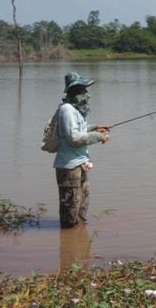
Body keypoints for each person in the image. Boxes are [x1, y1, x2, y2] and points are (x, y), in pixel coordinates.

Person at [54, 71, 112, 228]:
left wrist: (97, 127)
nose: (86, 93)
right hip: (69, 166)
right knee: (70, 207)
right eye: (83, 89)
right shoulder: (67, 110)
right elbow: (73, 138)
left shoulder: (76, 109)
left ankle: (77, 238)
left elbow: (81, 129)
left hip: (80, 163)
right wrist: (99, 137)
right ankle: (69, 241)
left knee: (82, 201)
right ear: (74, 90)